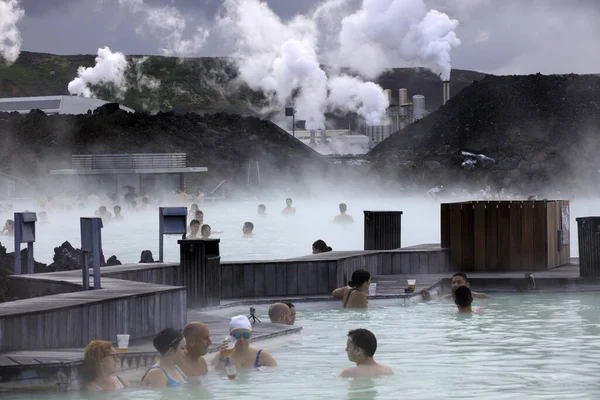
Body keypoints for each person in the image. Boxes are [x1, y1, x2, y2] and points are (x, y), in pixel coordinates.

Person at [213, 315, 277, 370]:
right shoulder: (221, 356)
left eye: (246, 335)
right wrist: (222, 358)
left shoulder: (262, 356)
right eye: (237, 335)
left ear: (251, 335)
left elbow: (275, 375)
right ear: (231, 336)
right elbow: (218, 375)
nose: (241, 339)